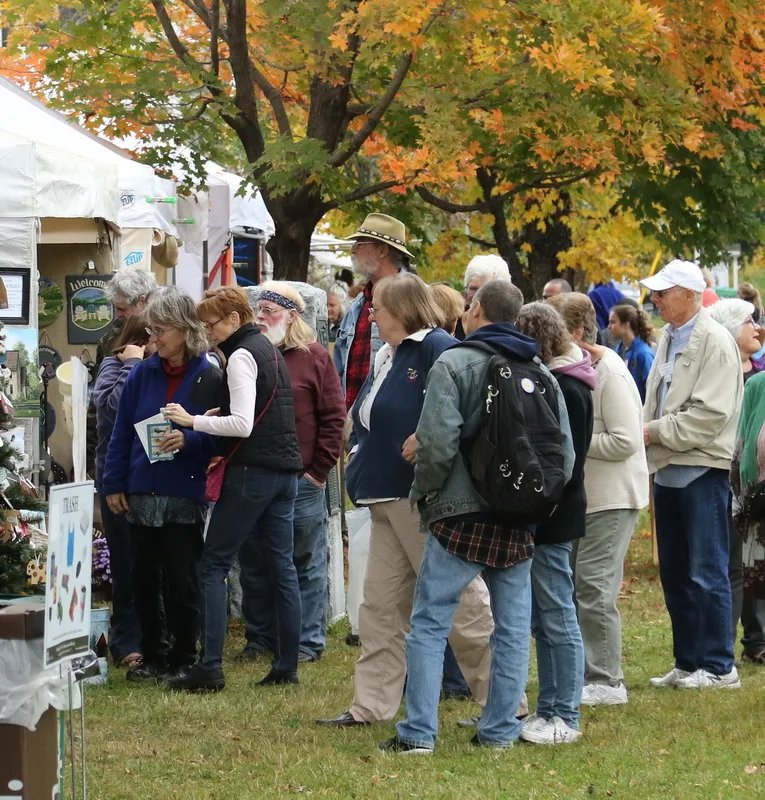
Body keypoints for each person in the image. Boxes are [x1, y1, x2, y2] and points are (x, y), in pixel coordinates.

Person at [378, 281, 575, 754]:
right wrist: (536, 504)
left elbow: (437, 442)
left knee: (429, 622)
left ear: (478, 309)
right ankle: (500, 732)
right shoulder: (541, 372)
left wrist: (425, 495)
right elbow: (564, 455)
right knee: (509, 629)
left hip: (460, 515)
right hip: (519, 519)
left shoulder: (456, 362)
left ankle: (420, 735)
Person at [317, 273, 494, 729]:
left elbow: (470, 407)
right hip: (381, 497)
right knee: (378, 610)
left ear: (402, 308)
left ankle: (502, 701)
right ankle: (370, 705)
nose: (371, 313)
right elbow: (371, 415)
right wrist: (358, 450)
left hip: (420, 499)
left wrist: (430, 437)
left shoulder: (436, 346)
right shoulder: (387, 354)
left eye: (378, 305)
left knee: (460, 604)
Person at [163, 286, 304, 691]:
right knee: (283, 568)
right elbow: (257, 411)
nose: (207, 332)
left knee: (212, 566)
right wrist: (217, 414)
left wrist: (193, 421)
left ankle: (209, 668)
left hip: (252, 473)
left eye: (211, 324)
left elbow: (242, 425)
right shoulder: (269, 348)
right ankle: (287, 666)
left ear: (234, 319)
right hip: (283, 472)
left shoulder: (241, 355)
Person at [102, 286, 221, 683]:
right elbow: (120, 433)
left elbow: (223, 434)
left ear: (186, 329)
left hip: (183, 489)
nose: (153, 339)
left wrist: (190, 439)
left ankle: (185, 656)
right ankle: (153, 656)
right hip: (142, 488)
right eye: (151, 330)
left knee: (182, 579)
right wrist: (114, 483)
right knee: (143, 578)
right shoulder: (142, 373)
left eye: (160, 331)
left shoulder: (208, 374)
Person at [641, 259, 743, 689]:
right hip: (668, 467)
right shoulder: (669, 336)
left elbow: (709, 416)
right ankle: (688, 661)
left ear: (689, 293)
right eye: (656, 293)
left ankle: (720, 667)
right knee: (677, 573)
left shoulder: (715, 341)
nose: (656, 299)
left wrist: (652, 433)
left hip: (701, 468)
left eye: (664, 292)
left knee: (707, 570)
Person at [236, 282, 346, 664]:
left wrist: (317, 473)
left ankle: (306, 642)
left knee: (304, 561)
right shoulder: (249, 355)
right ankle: (260, 638)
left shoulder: (314, 356)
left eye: (270, 311)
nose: (262, 318)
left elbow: (334, 418)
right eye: (259, 311)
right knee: (254, 561)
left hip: (301, 479)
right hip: (254, 477)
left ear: (292, 315)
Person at [553, 293, 649, 706]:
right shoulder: (582, 368)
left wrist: (569, 440)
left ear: (575, 332)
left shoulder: (610, 370)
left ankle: (607, 680)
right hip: (589, 497)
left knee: (594, 587)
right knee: (579, 585)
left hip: (612, 497)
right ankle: (589, 673)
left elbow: (626, 440)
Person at [516, 301, 595, 743]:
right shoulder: (568, 380)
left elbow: (562, 459)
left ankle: (566, 713)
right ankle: (549, 707)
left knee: (557, 612)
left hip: (555, 510)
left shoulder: (566, 387)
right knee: (545, 617)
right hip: (554, 507)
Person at [93, 313, 152, 669]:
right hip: (119, 477)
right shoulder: (114, 367)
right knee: (127, 562)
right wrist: (131, 364)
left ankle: (158, 637)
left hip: (154, 478)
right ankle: (127, 640)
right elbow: (112, 408)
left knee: (156, 562)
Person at [711, 299, 765, 663]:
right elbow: (741, 440)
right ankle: (756, 640)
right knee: (749, 564)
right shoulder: (755, 383)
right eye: (751, 322)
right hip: (751, 487)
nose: (758, 328)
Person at [334, 213, 415, 409]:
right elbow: (338, 370)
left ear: (381, 250)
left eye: (360, 243)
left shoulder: (415, 301)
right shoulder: (356, 306)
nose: (353, 250)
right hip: (353, 426)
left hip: (394, 424)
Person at [731, 374, 765, 636]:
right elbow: (740, 448)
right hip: (759, 498)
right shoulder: (757, 385)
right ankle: (756, 640)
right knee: (754, 573)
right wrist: (742, 499)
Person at [608, 304, 655, 402]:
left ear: (626, 325)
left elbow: (651, 391)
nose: (609, 327)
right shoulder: (619, 350)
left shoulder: (643, 354)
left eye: (612, 322)